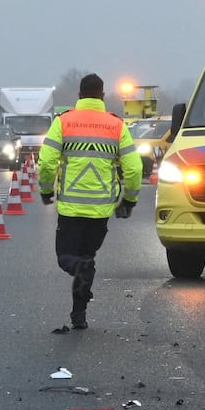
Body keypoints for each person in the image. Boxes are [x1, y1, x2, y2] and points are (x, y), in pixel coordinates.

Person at [38, 73, 143, 330]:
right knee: (87, 258)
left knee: (66, 257)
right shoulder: (117, 126)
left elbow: (47, 162)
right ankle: (79, 314)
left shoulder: (64, 122)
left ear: (79, 95)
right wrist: (129, 200)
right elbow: (134, 169)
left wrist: (45, 190)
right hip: (100, 210)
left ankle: (80, 293)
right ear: (103, 96)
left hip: (71, 209)